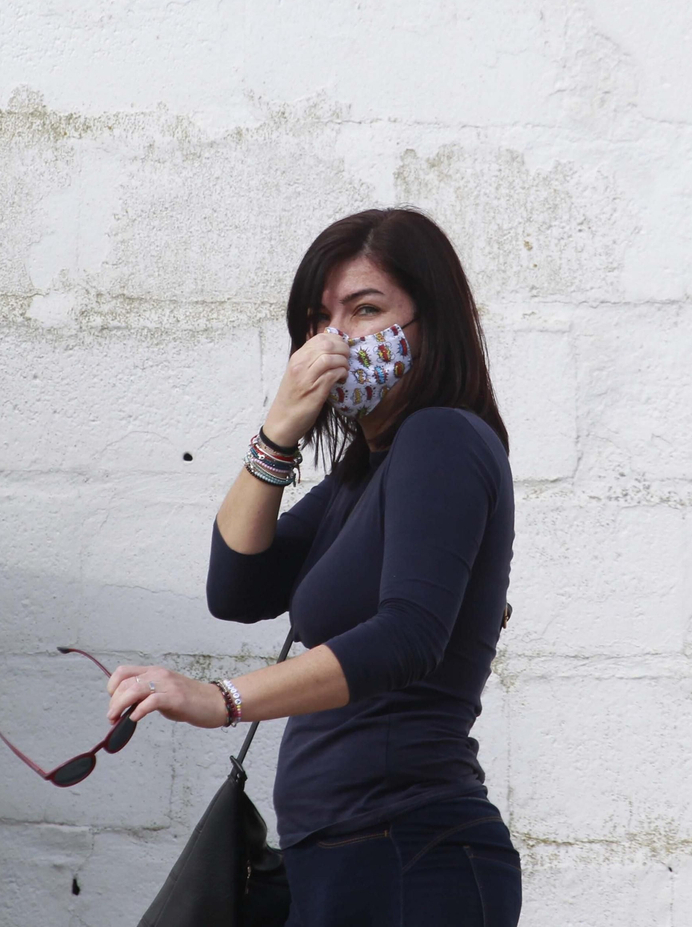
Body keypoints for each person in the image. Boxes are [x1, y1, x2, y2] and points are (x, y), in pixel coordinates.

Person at [105, 207, 521, 926]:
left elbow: (408, 635)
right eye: (318, 319)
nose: (338, 339)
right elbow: (235, 587)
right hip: (347, 855)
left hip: (410, 850)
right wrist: (277, 430)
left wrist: (221, 698)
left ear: (434, 319)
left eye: (366, 309)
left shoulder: (442, 437)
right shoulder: (359, 481)